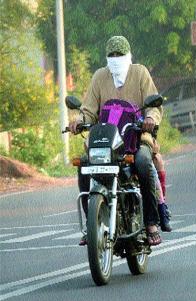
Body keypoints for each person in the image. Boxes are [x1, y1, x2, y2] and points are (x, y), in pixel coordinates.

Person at [69, 35, 166, 246]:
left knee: (142, 161)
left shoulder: (140, 73)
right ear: (106, 58)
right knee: (84, 164)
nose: (115, 59)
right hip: (107, 141)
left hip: (138, 137)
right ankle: (91, 224)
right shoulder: (99, 77)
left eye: (119, 55)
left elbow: (154, 105)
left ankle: (151, 222)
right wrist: (79, 121)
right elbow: (88, 111)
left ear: (128, 55)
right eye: (111, 55)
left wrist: (150, 118)